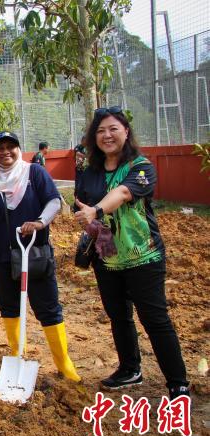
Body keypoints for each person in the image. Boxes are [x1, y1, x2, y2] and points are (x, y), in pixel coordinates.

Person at [74, 107, 189, 399]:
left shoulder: (140, 167)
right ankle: (130, 369)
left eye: (113, 129)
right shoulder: (90, 173)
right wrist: (87, 219)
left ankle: (178, 383)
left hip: (143, 256)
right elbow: (82, 206)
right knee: (119, 316)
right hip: (107, 257)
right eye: (100, 131)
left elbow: (124, 193)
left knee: (155, 319)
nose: (107, 135)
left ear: (126, 132)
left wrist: (96, 210)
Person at [0, 131, 80, 382]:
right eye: (0, 148)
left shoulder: (35, 174)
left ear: (19, 150)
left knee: (48, 307)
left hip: (35, 254)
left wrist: (40, 222)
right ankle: (16, 356)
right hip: (0, 255)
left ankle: (64, 363)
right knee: (9, 307)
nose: (6, 152)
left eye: (11, 147)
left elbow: (54, 202)